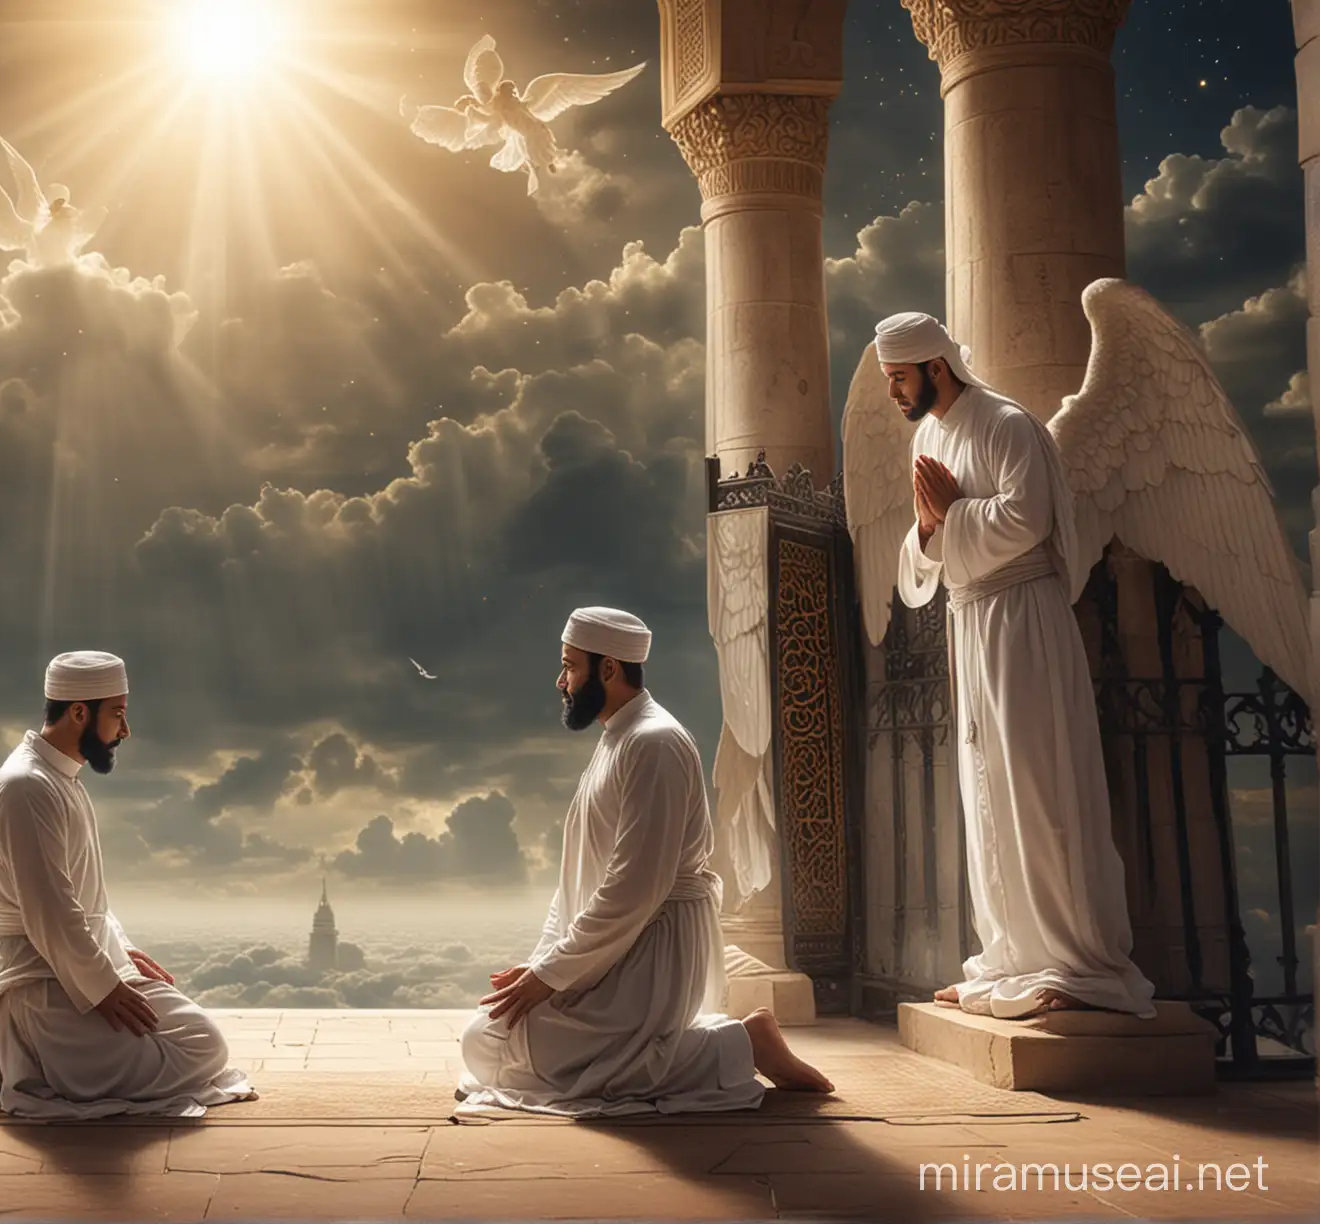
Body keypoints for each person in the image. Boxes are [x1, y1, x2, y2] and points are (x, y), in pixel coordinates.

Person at [879, 311, 1157, 1019]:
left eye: (898, 378)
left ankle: (1070, 958)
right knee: (987, 790)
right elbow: (925, 544)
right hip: (971, 621)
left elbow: (1027, 521)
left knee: (1039, 786)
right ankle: (1010, 954)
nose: (892, 392)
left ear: (936, 368)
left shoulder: (1007, 424)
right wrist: (935, 525)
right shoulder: (931, 433)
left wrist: (954, 515)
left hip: (1022, 618)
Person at [457, 607, 832, 1117]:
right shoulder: (620, 737)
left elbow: (635, 889)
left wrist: (552, 974)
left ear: (608, 669)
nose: (560, 681)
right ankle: (714, 1043)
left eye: (570, 667)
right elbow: (575, 879)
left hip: (651, 946)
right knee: (484, 1038)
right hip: (611, 946)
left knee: (529, 1057)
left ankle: (741, 1044)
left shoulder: (654, 742)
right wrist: (543, 963)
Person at [0, 651, 255, 1118]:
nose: (125, 730)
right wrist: (101, 987)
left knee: (202, 1041)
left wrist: (118, 950)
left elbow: (84, 899)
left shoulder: (60, 779)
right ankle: (33, 1051)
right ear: (79, 712)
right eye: (117, 713)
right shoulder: (26, 787)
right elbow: (49, 911)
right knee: (184, 1057)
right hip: (39, 978)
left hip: (86, 959)